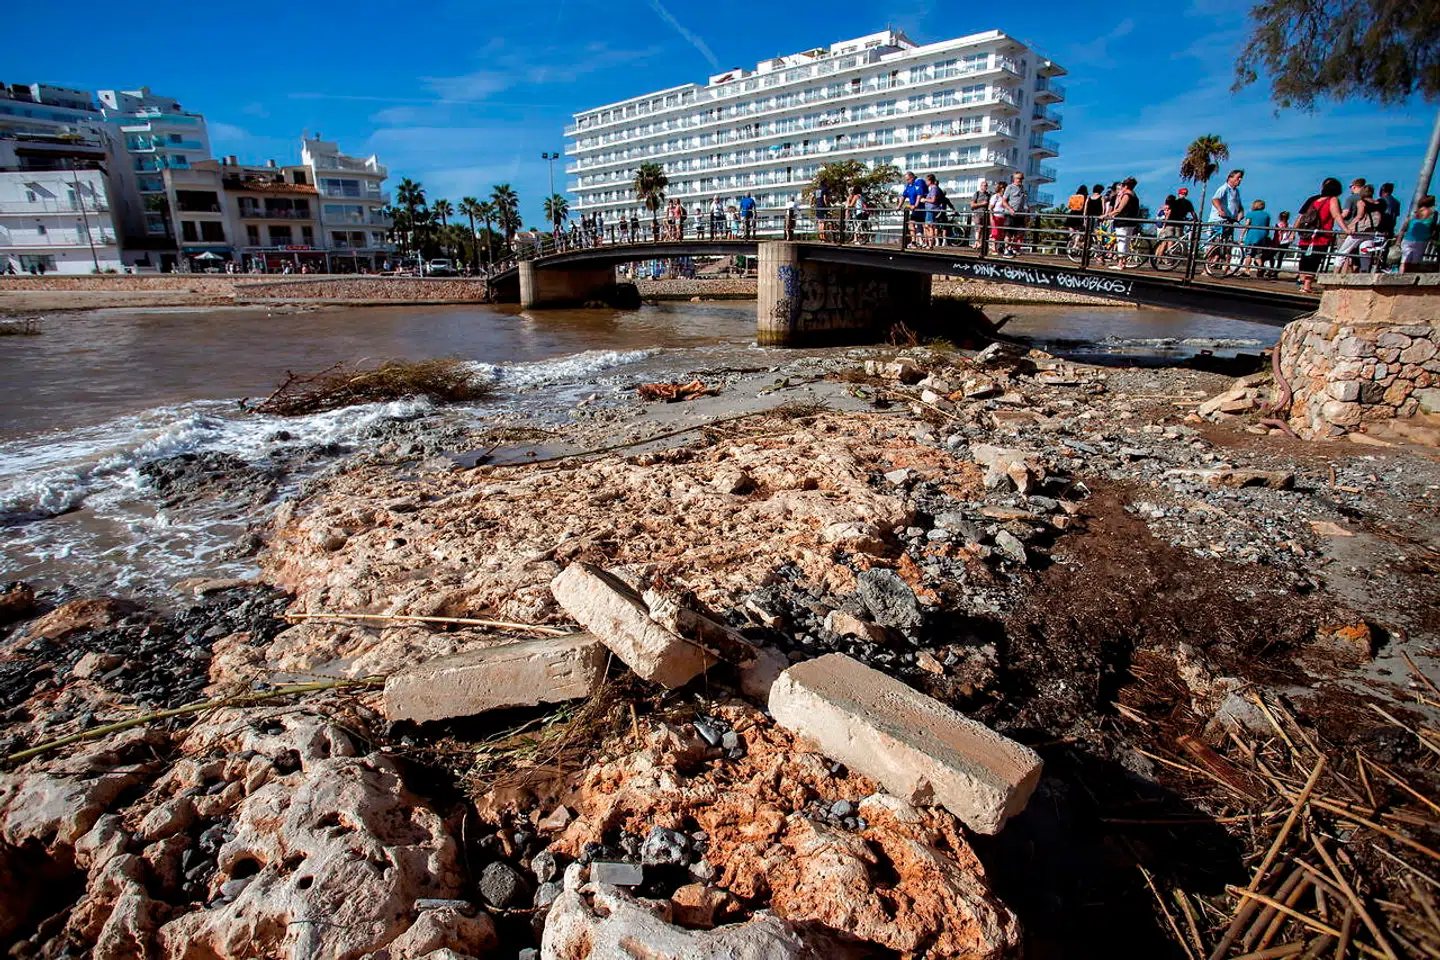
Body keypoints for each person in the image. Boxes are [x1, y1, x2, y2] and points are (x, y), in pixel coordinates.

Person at [1296, 177, 1347, 293]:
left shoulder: (1314, 200)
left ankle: (1302, 281)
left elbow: (1301, 216)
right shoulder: (1332, 200)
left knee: (1305, 258)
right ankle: (1307, 286)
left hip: (1307, 234)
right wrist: (1346, 229)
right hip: (1320, 235)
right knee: (1314, 260)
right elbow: (1336, 215)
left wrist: (1295, 230)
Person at [1337, 185, 1383, 273]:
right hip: (1371, 231)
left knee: (1342, 252)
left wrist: (1348, 227)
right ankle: (1364, 274)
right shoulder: (1378, 203)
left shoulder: (1361, 202)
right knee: (1365, 253)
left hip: (1360, 230)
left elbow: (1359, 216)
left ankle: (1335, 274)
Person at [1108, 177, 1140, 269]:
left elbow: (1119, 209)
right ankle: (1123, 262)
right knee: (1126, 241)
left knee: (1121, 241)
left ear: (1125, 185)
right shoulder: (1134, 195)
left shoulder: (1127, 195)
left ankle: (1120, 263)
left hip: (1123, 221)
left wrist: (1107, 215)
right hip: (1130, 221)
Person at [1401, 195, 1436, 273]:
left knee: (1404, 262)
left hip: (1408, 238)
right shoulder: (1432, 213)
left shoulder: (1414, 212)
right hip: (1421, 239)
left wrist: (1398, 240)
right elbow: (1432, 227)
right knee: (1415, 263)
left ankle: (1400, 277)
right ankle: (1411, 281)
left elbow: (1404, 227)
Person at [1240, 199, 1272, 277]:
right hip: (1262, 236)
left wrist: (1241, 236)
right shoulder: (1266, 215)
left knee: (1249, 255)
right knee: (1258, 255)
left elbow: (1246, 225)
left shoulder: (1250, 214)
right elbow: (1267, 227)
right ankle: (1260, 269)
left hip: (1252, 236)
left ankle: (1247, 271)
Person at [1001, 171, 1028, 257]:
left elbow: (1025, 201)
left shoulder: (1023, 188)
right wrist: (1010, 209)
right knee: (1008, 233)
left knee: (1020, 232)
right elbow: (1004, 201)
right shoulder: (1010, 187)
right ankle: (1006, 250)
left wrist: (1027, 211)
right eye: (1018, 178)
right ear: (1014, 179)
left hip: (1020, 214)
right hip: (1010, 214)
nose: (1020, 180)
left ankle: (1011, 247)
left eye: (1021, 178)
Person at [900, 172, 925, 244]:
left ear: (912, 177)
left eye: (908, 179)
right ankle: (913, 241)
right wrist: (899, 205)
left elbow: (919, 194)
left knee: (923, 226)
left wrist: (916, 205)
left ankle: (923, 242)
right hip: (914, 209)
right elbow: (903, 195)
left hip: (921, 208)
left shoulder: (918, 182)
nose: (907, 181)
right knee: (911, 224)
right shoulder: (909, 185)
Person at [970, 179, 992, 249]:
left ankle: (980, 244)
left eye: (986, 186)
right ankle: (976, 242)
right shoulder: (977, 194)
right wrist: (982, 204)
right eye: (984, 185)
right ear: (980, 186)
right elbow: (972, 205)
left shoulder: (988, 195)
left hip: (986, 214)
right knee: (978, 229)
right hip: (978, 213)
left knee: (984, 230)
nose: (985, 187)